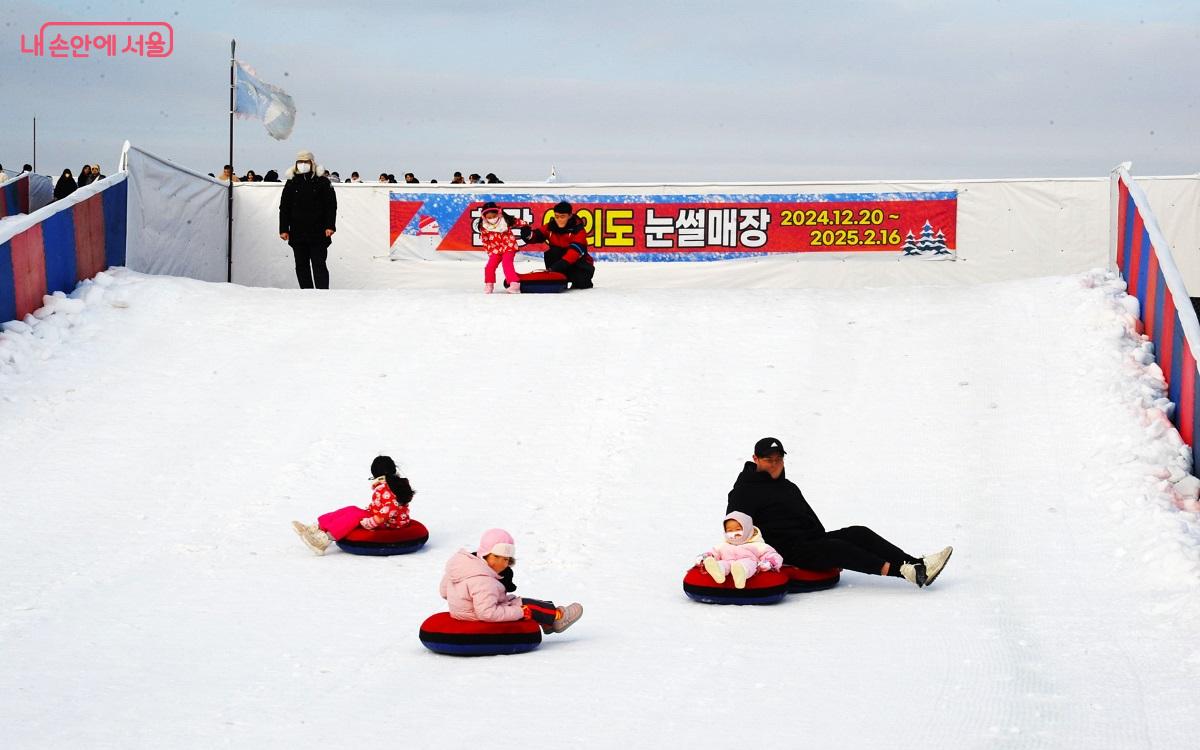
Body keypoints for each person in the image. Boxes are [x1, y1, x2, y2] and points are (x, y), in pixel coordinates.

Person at [726, 437, 953, 587]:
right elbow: (735, 529)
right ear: (756, 459)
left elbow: (811, 521)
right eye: (768, 460)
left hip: (809, 543)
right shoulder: (744, 492)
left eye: (779, 459)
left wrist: (826, 550)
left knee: (857, 533)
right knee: (835, 547)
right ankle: (906, 573)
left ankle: (916, 563)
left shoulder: (788, 487)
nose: (775, 464)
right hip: (784, 552)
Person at [439, 528, 583, 633]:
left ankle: (547, 621)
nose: (502, 564)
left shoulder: (460, 567)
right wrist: (520, 613)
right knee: (527, 608)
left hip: (464, 612)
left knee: (520, 600)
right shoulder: (483, 581)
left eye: (506, 560)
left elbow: (444, 592)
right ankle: (557, 618)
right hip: (476, 617)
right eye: (496, 557)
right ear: (485, 554)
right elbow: (487, 613)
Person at [292, 455, 416, 555]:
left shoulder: (389, 488)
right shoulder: (388, 485)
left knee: (355, 516)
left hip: (390, 523)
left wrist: (372, 521)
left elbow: (390, 508)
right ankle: (318, 528)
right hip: (381, 517)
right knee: (352, 509)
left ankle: (324, 540)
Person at [279, 149, 337, 290]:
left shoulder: (323, 182)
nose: (303, 164)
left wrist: (330, 226)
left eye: (306, 162)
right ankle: (306, 293)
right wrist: (283, 229)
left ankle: (322, 293)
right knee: (301, 265)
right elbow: (284, 207)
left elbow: (331, 206)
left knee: (319, 264)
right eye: (300, 162)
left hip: (319, 232)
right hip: (297, 232)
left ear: (312, 163)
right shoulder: (291, 183)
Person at [696, 511, 784, 589]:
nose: (734, 533)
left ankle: (741, 573)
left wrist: (769, 562)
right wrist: (705, 557)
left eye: (738, 529)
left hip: (748, 562)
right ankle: (718, 571)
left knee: (748, 564)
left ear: (748, 529)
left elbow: (772, 554)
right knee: (723, 563)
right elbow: (713, 553)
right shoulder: (724, 545)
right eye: (729, 530)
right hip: (728, 562)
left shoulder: (757, 545)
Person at [525, 200, 596, 290]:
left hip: (579, 264)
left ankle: (575, 279)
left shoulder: (579, 231)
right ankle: (557, 279)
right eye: (557, 216)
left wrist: (553, 268)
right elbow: (537, 235)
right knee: (553, 252)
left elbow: (573, 254)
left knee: (582, 284)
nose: (559, 220)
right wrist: (528, 235)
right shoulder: (550, 226)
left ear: (570, 216)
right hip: (559, 263)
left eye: (562, 217)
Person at [478, 201, 528, 294]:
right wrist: (490, 251)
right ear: (484, 217)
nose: (492, 219)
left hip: (508, 247)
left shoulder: (505, 221)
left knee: (507, 264)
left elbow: (519, 222)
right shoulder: (484, 226)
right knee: (489, 267)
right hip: (495, 250)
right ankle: (489, 284)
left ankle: (514, 284)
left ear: (498, 213)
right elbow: (485, 240)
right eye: (489, 217)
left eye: (494, 216)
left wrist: (526, 226)